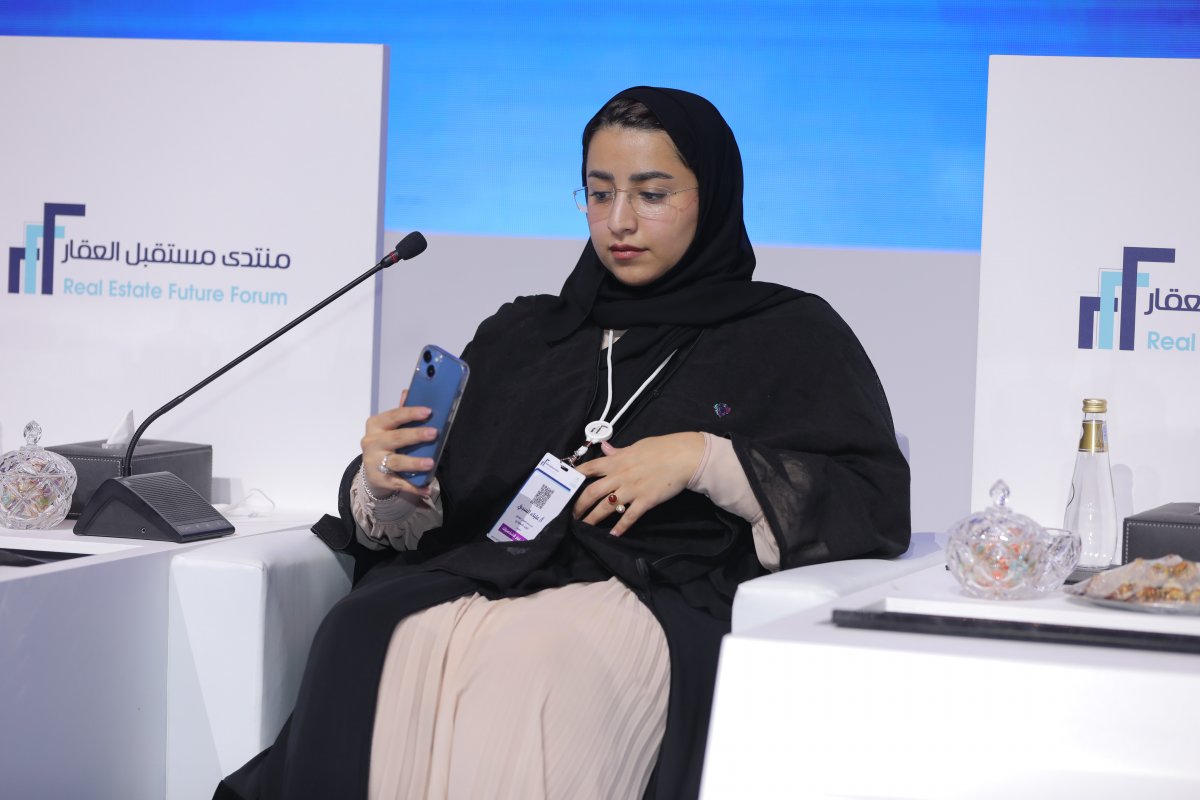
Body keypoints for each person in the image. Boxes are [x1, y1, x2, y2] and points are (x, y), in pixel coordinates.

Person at [216, 86, 910, 800]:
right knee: (363, 627)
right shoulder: (524, 334)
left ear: (714, 195)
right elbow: (446, 506)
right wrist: (388, 484)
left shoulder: (789, 334)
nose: (620, 221)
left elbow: (872, 499)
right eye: (599, 193)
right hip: (488, 571)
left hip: (657, 594)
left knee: (532, 661)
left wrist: (704, 459)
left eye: (652, 194)